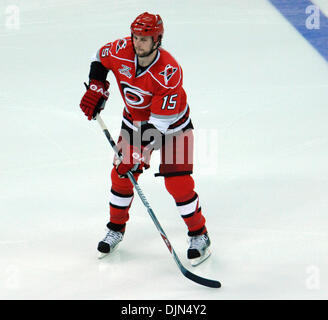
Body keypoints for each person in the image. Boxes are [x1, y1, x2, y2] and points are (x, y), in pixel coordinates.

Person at [79, 12, 211, 266]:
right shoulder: (120, 49)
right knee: (120, 176)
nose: (138, 43)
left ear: (157, 40)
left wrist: (138, 154)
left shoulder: (169, 71)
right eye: (136, 37)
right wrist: (97, 85)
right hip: (134, 122)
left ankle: (199, 234)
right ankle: (115, 229)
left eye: (145, 39)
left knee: (178, 183)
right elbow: (100, 59)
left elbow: (158, 127)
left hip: (173, 128)